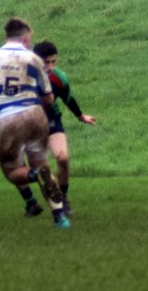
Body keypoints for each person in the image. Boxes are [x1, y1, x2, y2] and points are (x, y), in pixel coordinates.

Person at [0, 17, 69, 228]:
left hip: (6, 119)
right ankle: (60, 217)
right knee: (42, 163)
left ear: (7, 36)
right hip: (35, 115)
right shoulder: (34, 59)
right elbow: (48, 99)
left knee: (12, 172)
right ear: (26, 38)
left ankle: (34, 175)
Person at [9, 39, 98, 218]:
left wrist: (80, 116)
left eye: (53, 62)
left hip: (50, 119)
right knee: (15, 164)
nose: (49, 66)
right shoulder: (21, 76)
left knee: (63, 158)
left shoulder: (58, 77)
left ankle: (62, 200)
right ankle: (31, 202)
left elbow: (68, 97)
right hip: (23, 122)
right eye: (46, 62)